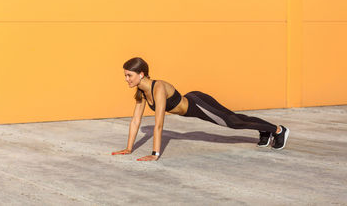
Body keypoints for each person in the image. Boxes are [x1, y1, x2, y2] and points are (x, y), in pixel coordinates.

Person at [112, 57, 290, 161]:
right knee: (234, 119)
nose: (126, 79)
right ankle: (264, 131)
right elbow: (136, 121)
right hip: (192, 101)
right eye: (125, 75)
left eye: (129, 75)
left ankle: (278, 130)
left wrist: (155, 154)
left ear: (141, 74)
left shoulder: (157, 88)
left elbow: (158, 124)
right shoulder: (141, 93)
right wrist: (129, 148)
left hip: (198, 105)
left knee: (232, 122)